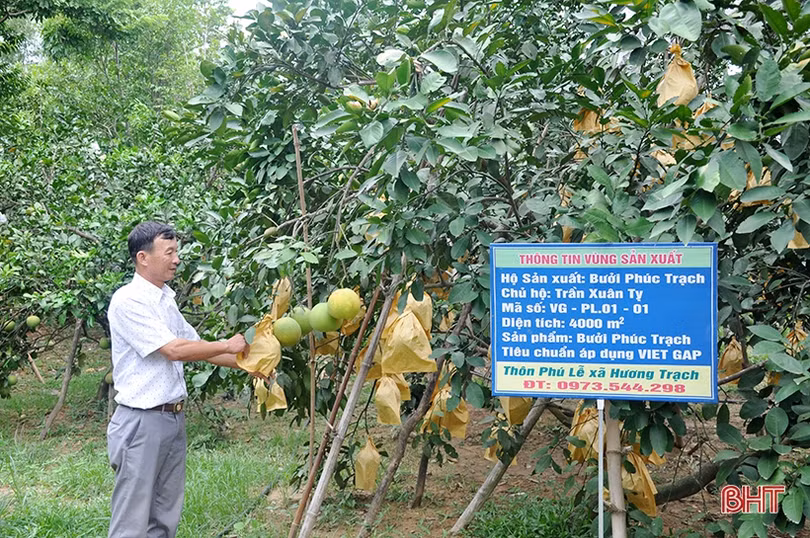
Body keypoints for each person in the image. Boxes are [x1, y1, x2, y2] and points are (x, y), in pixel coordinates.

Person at [106, 221, 251, 538]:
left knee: (164, 515)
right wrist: (228, 344)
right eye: (169, 252)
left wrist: (252, 363)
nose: (176, 259)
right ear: (143, 257)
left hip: (171, 419)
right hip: (141, 422)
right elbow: (174, 349)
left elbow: (200, 349)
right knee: (132, 521)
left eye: (176, 252)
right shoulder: (128, 300)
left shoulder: (165, 301)